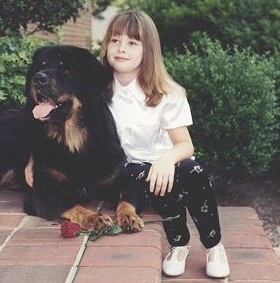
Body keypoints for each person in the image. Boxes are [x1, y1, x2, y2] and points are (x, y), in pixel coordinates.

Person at [99, 9, 230, 278]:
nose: (121, 48)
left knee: (192, 169)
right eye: (115, 40)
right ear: (106, 45)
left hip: (164, 168)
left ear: (148, 50)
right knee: (136, 170)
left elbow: (185, 145)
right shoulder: (96, 89)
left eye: (132, 43)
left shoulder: (167, 92)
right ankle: (179, 243)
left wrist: (166, 159)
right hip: (125, 177)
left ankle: (214, 246)